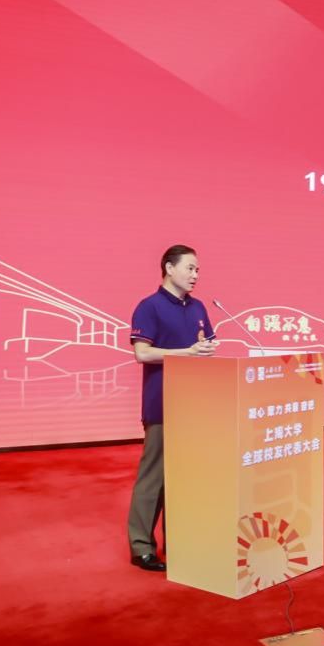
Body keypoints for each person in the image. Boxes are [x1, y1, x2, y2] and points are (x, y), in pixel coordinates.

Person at [126, 244, 217, 571]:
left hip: (194, 404)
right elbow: (142, 353)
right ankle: (141, 546)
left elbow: (204, 344)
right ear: (169, 268)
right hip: (163, 402)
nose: (195, 275)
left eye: (197, 270)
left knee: (185, 478)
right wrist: (187, 353)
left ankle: (179, 541)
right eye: (190, 268)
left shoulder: (198, 307)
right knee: (154, 476)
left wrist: (204, 349)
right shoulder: (149, 306)